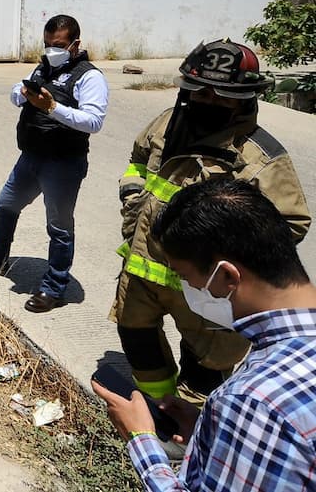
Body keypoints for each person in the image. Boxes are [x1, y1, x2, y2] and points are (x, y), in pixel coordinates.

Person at [111, 40, 310, 402]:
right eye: (201, 93)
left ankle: (191, 426)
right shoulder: (167, 125)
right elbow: (138, 161)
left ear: (245, 98)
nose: (210, 102)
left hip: (205, 289)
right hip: (143, 271)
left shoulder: (259, 156)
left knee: (207, 362)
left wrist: (220, 254)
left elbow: (291, 222)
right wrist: (132, 200)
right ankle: (159, 404)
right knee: (136, 337)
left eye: (223, 96)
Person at [93, 179, 316, 491]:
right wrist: (213, 432)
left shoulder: (253, 403)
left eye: (185, 278)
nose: (188, 291)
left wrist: (141, 439)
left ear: (226, 275)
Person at [0, 14, 109, 313]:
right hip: (32, 157)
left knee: (59, 228)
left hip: (63, 164)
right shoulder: (44, 67)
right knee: (5, 205)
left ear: (75, 44)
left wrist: (52, 107)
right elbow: (15, 93)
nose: (52, 50)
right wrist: (22, 94)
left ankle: (53, 288)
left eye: (59, 45)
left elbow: (93, 121)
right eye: (48, 44)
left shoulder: (90, 77)